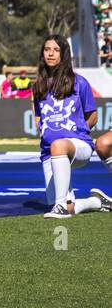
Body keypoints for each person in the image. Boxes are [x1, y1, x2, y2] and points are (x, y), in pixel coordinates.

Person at [34, 35, 112, 218]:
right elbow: (39, 116)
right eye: (47, 49)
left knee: (59, 145)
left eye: (55, 50)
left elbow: (92, 116)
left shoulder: (79, 82)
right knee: (70, 207)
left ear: (64, 54)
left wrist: (76, 132)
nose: (50, 53)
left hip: (78, 146)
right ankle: (97, 202)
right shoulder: (38, 85)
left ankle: (61, 207)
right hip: (48, 152)